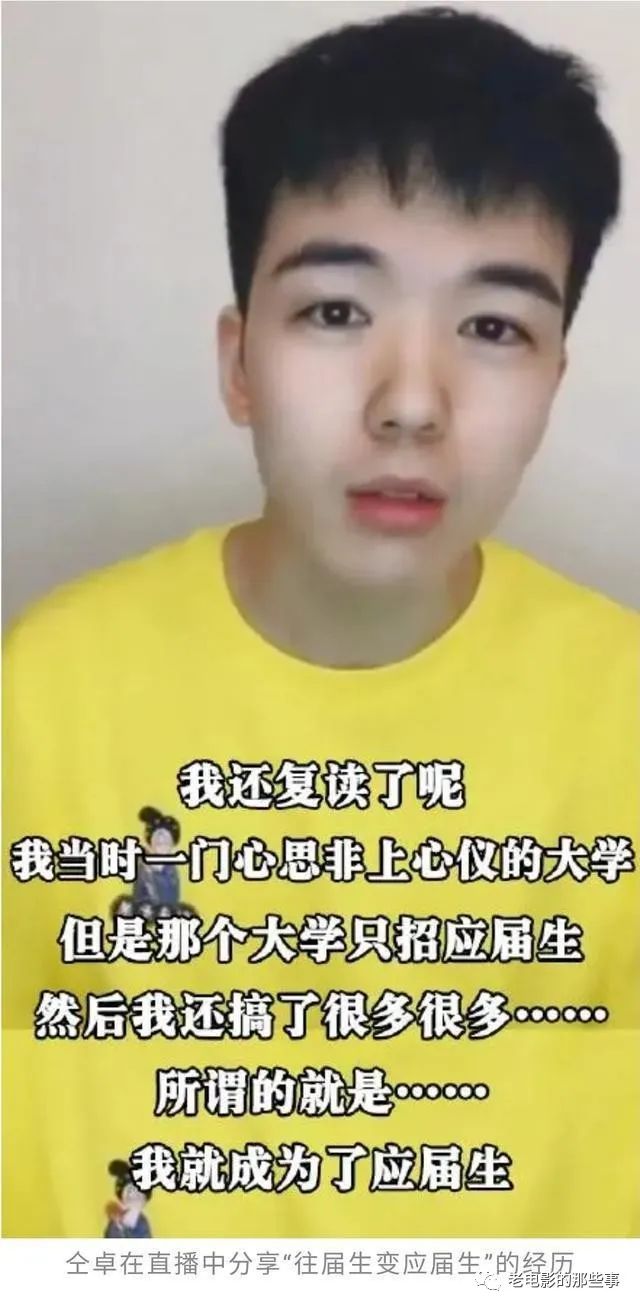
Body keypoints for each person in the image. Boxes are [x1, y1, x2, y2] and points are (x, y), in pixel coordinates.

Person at [3, 5, 638, 1240]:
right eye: (337, 311)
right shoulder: (47, 689)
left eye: (494, 327)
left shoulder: (623, 712)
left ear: (553, 383)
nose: (410, 403)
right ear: (240, 363)